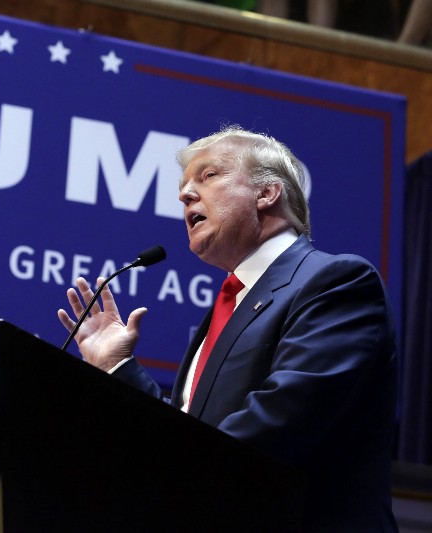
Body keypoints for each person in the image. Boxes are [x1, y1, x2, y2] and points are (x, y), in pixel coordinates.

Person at [58, 126, 398, 531]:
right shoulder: (230, 304)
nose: (185, 195)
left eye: (209, 176)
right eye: (183, 188)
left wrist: (155, 487)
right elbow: (185, 433)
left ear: (266, 193)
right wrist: (117, 367)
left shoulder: (336, 281)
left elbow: (280, 423)